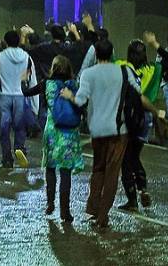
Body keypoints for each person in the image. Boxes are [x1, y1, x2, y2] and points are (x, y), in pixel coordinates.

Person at [61, 39, 138, 228]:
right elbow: (137, 91)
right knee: (112, 173)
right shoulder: (123, 71)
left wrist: (70, 96)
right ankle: (103, 215)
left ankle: (93, 209)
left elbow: (80, 100)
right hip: (119, 130)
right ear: (112, 53)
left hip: (98, 130)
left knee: (98, 169)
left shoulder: (88, 74)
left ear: (95, 55)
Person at [25, 55, 82, 222]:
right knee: (66, 172)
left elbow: (27, 92)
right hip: (69, 133)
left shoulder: (47, 84)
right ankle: (65, 211)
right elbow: (82, 104)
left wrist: (24, 79)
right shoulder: (74, 85)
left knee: (50, 169)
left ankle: (50, 203)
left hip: (52, 130)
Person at [117, 38, 164, 211]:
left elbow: (137, 96)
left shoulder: (124, 67)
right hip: (146, 120)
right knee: (134, 155)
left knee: (125, 159)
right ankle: (142, 188)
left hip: (131, 117)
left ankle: (132, 199)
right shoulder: (153, 69)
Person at [0, 30, 37, 169]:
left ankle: (7, 159)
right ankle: (19, 148)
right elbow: (33, 81)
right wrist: (35, 106)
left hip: (3, 96)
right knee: (20, 126)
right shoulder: (27, 57)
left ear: (6, 42)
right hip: (20, 96)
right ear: (19, 41)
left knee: (4, 128)